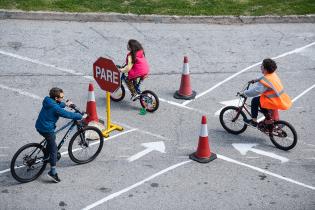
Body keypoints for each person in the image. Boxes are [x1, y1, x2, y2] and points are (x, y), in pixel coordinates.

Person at [35, 87, 83, 183]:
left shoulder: (48, 100)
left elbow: (58, 105)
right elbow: (67, 114)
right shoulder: (55, 107)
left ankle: (47, 155)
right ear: (56, 98)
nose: (63, 98)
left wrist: (66, 104)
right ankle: (52, 172)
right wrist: (80, 116)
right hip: (47, 129)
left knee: (51, 140)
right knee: (54, 150)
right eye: (61, 97)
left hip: (39, 125)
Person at [242, 58, 292, 127]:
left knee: (255, 101)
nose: (260, 66)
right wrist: (255, 80)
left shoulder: (265, 81)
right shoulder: (272, 74)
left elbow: (255, 91)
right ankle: (270, 119)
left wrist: (244, 93)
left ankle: (254, 121)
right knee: (261, 102)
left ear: (265, 69)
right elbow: (264, 77)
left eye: (262, 66)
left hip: (272, 101)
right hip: (280, 98)